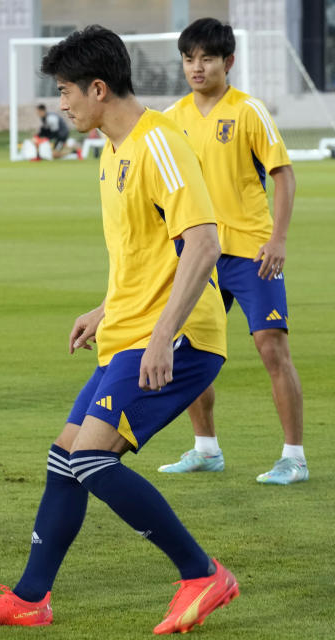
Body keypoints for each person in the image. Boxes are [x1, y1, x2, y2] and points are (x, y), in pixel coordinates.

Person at [0, 26, 238, 635]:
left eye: (64, 92)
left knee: (91, 461)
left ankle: (202, 573)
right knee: (64, 458)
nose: (61, 104)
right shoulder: (112, 150)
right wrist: (106, 307)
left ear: (98, 88)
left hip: (178, 338)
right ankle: (30, 597)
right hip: (128, 332)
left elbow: (203, 244)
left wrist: (161, 338)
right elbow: (149, 253)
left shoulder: (158, 142)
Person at [159, 18, 306, 484]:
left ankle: (294, 457)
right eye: (189, 59)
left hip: (250, 250)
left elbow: (282, 174)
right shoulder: (172, 118)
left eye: (206, 58)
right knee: (190, 349)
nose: (196, 67)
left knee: (271, 348)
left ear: (229, 61)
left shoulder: (249, 111)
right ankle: (206, 448)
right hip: (199, 254)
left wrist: (278, 238)